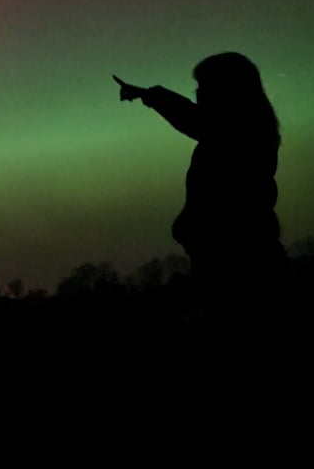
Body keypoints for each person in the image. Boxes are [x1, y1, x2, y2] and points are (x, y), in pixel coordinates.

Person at [114, 52, 286, 320]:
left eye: (204, 87)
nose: (198, 94)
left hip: (237, 269)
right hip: (229, 263)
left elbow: (195, 121)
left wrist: (151, 95)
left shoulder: (239, 134)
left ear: (227, 91)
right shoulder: (241, 132)